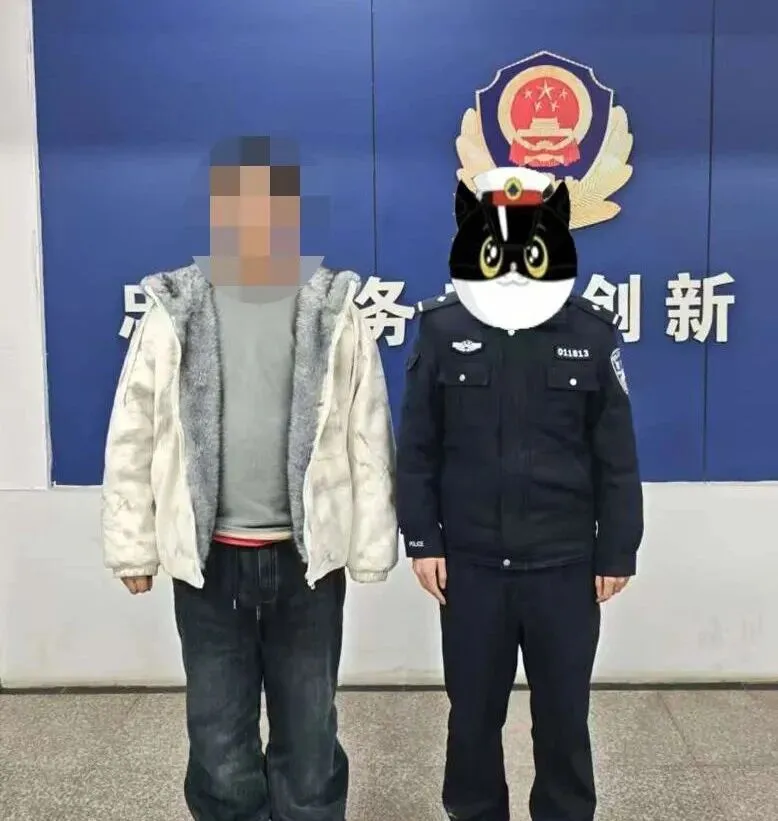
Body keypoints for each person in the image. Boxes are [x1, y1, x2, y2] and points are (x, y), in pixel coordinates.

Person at [101, 135, 398, 821]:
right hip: (210, 563)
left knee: (309, 732)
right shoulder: (175, 308)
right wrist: (132, 546)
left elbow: (367, 429)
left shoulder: (333, 308)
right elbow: (134, 431)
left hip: (304, 564)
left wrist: (371, 545)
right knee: (219, 738)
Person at [396, 166, 643, 821]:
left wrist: (617, 549)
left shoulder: (589, 332)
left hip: (564, 566)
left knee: (564, 716)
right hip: (471, 566)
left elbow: (616, 456)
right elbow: (417, 448)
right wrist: (422, 541)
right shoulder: (443, 328)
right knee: (472, 716)